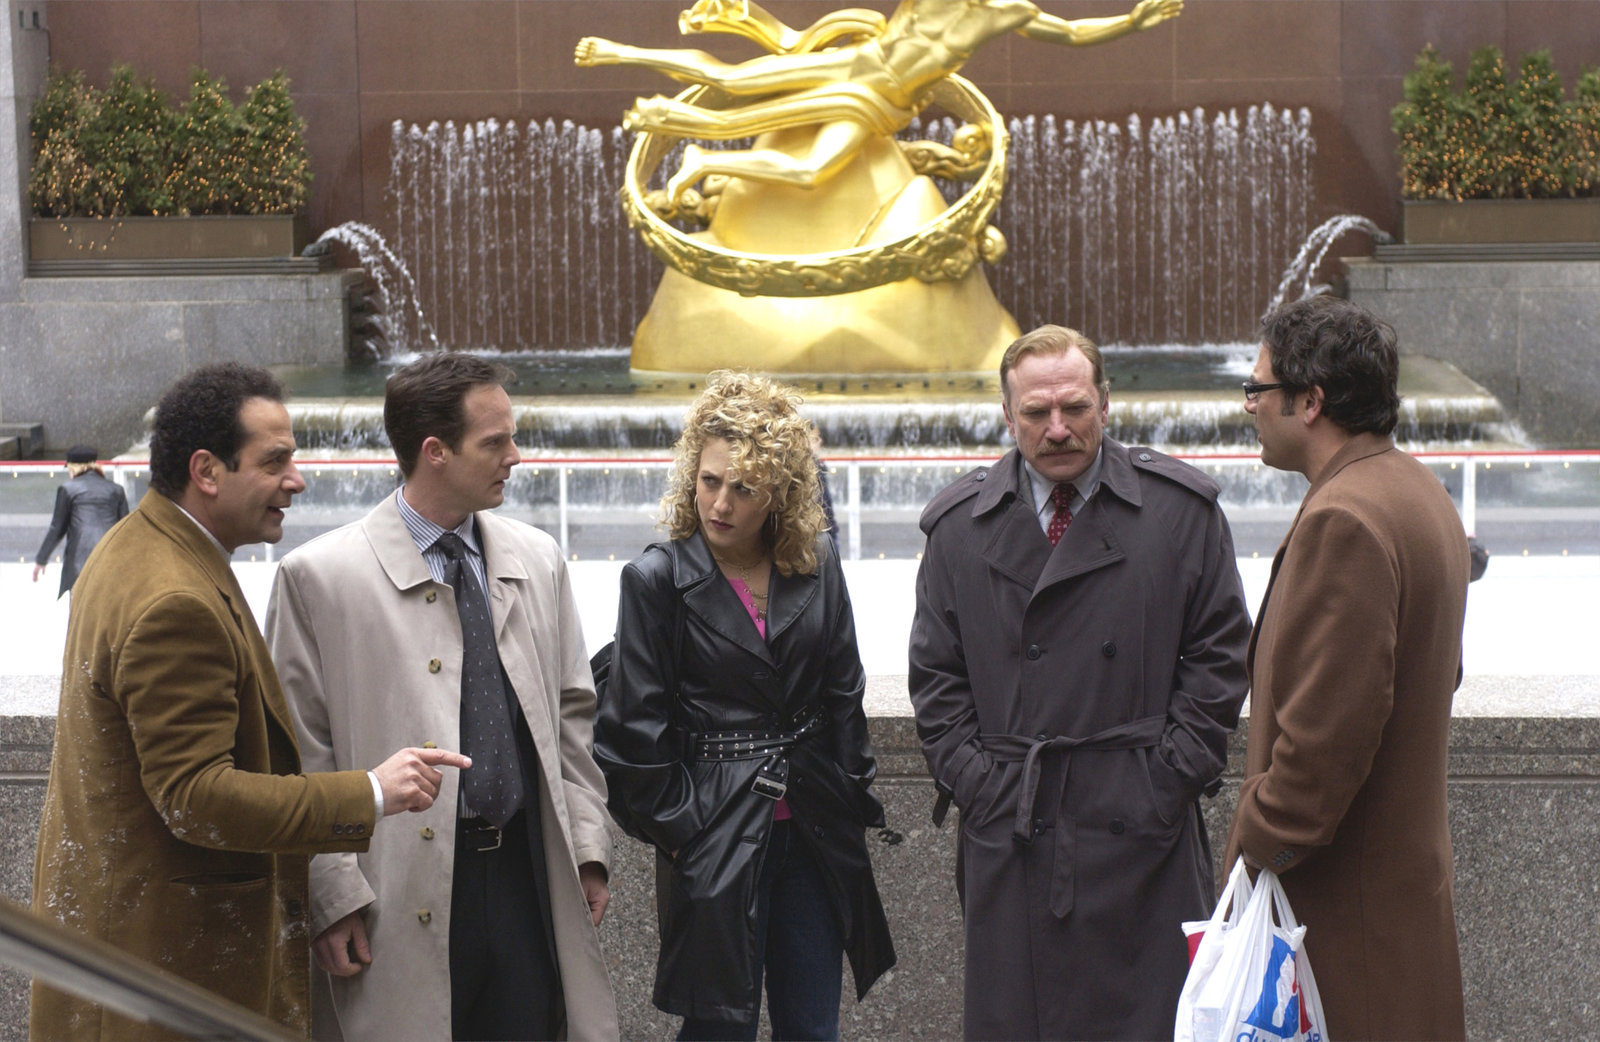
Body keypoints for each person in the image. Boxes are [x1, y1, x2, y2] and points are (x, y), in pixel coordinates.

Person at [30, 363, 467, 1042]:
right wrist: (371, 792)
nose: (297, 479)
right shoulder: (174, 600)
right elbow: (195, 797)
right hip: (166, 982)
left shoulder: (138, 548)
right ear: (207, 471)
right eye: (275, 461)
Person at [908, 324, 1251, 1040]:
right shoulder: (959, 528)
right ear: (1008, 417)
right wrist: (982, 788)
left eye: (1075, 408)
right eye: (1036, 412)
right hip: (1015, 831)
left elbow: (1221, 659)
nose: (1057, 428)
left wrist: (1165, 779)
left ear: (1106, 403)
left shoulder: (1180, 512)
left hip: (1142, 832)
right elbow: (937, 681)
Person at [266, 353, 617, 1041]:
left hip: (528, 880)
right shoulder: (316, 579)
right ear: (435, 452)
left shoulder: (539, 559)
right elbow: (297, 755)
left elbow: (573, 719)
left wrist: (586, 848)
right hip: (390, 891)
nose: (515, 457)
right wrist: (331, 893)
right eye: (495, 442)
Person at [593, 370, 894, 1040]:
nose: (720, 503)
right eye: (709, 481)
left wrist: (850, 792)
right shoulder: (655, 579)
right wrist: (687, 832)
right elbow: (631, 734)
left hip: (813, 830)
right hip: (715, 834)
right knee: (717, 1030)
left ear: (779, 493)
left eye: (744, 488)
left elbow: (843, 690)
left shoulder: (815, 561)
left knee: (812, 1029)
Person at [1223, 296, 1470, 1040]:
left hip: (1341, 932)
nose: (1249, 406)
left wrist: (1252, 843)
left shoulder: (1344, 520)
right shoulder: (1417, 490)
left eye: (1259, 388)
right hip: (1395, 908)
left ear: (1310, 401)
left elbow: (1322, 754)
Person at [576, 0, 1182, 203]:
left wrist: (1130, 21)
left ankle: (704, 160)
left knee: (811, 171)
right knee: (735, 81)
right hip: (858, 63)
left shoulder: (1011, 11)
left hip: (881, 101)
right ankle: (618, 51)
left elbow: (1071, 33)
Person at [32, 445, 128, 597]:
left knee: (80, 608)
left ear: (73, 468)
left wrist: (41, 559)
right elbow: (126, 529)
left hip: (79, 565)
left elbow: (57, 528)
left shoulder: (68, 489)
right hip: (110, 561)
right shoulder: (116, 490)